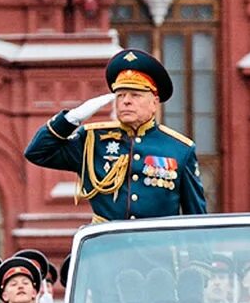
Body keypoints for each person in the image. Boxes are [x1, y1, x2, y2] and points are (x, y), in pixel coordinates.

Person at [25, 48, 207, 222]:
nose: (126, 101)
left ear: (154, 102)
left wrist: (200, 255)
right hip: (107, 248)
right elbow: (37, 152)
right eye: (120, 95)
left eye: (135, 95)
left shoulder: (179, 149)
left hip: (157, 249)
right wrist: (69, 119)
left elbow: (196, 216)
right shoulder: (92, 140)